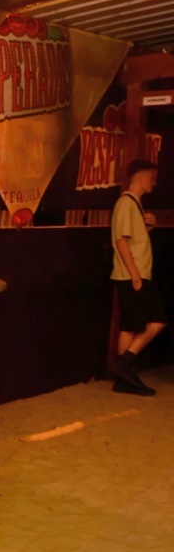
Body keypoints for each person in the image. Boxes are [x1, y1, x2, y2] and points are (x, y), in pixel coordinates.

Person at [110, 158, 167, 395]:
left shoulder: (134, 205)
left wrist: (149, 227)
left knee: (131, 325)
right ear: (142, 178)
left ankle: (124, 375)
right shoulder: (126, 203)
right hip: (133, 274)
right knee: (156, 320)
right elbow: (121, 241)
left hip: (136, 273)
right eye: (152, 178)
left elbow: (132, 239)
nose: (154, 183)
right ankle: (124, 366)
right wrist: (135, 274)